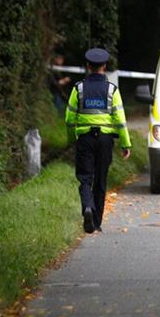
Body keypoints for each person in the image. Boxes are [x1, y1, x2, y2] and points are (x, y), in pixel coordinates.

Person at [65, 48, 131, 233]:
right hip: (105, 141)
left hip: (85, 139)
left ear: (88, 66)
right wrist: (125, 144)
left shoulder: (78, 89)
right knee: (101, 180)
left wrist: (73, 140)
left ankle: (87, 206)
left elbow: (69, 119)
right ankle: (96, 222)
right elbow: (120, 120)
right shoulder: (112, 90)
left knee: (85, 178)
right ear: (104, 66)